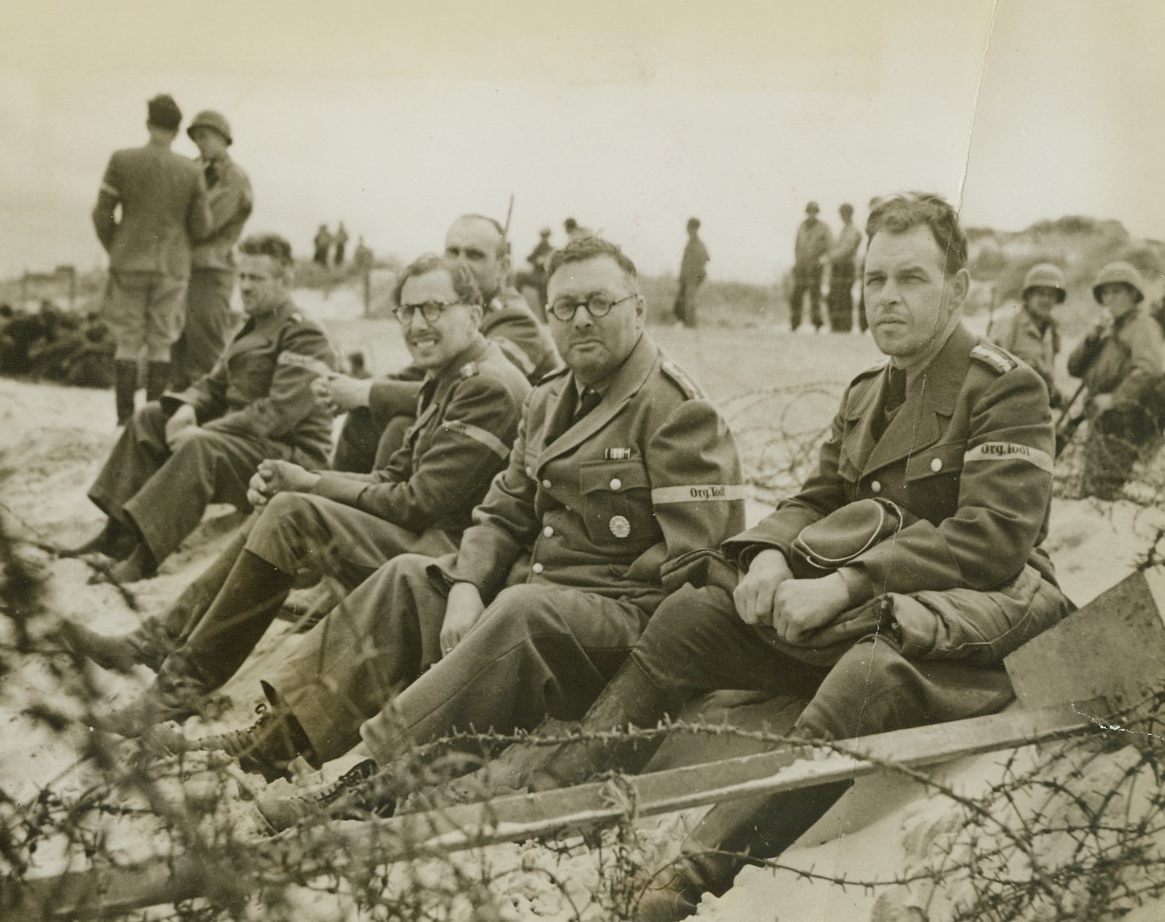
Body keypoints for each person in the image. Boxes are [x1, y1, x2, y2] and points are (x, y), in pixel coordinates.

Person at [429, 193, 1072, 921]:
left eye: (911, 278)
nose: (887, 296)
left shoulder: (1005, 386)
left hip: (965, 618)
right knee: (690, 617)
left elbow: (992, 537)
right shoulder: (869, 392)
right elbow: (816, 496)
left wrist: (845, 585)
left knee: (868, 673)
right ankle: (561, 794)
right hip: (864, 603)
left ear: (957, 289)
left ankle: (691, 876)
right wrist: (766, 555)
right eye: (875, 279)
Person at [182, 236, 745, 801]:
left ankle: (373, 778)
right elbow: (502, 510)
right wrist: (469, 585)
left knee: (523, 609)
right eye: (565, 306)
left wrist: (543, 596)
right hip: (541, 601)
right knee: (410, 578)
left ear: (638, 309)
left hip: (621, 625)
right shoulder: (549, 399)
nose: (581, 319)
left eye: (600, 302)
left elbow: (697, 565)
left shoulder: (676, 408)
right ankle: (278, 741)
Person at [68, 253, 532, 736]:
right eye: (407, 311)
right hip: (427, 540)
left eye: (433, 308)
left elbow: (416, 502)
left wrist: (311, 484)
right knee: (287, 506)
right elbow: (392, 476)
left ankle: (177, 687)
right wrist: (301, 479)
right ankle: (157, 643)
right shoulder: (451, 375)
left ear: (474, 314)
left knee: (293, 514)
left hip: (451, 562)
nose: (417, 325)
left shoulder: (486, 386)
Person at [60, 234, 335, 583]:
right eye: (242, 276)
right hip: (247, 444)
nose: (245, 286)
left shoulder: (304, 334)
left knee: (200, 446)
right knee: (150, 418)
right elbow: (214, 384)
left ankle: (144, 558)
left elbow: (276, 415)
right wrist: (188, 407)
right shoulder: (252, 327)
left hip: (289, 456)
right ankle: (116, 536)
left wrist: (204, 430)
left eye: (256, 278)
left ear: (285, 280)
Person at [330, 214, 560, 473]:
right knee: (366, 415)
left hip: (512, 464)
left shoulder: (515, 320)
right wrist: (352, 390)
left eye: (474, 255)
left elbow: (463, 389)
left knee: (399, 423)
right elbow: (418, 374)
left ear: (503, 267)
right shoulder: (451, 311)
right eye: (453, 252)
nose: (461, 263)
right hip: (472, 439)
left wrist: (365, 392)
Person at [91, 94, 213, 424]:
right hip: (172, 266)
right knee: (161, 343)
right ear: (177, 130)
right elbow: (202, 226)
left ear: (148, 124)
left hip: (128, 263)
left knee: (127, 341)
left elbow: (101, 214)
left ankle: (123, 422)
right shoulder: (191, 170)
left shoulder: (122, 160)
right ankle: (151, 423)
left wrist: (117, 248)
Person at [170, 110, 254, 390]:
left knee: (205, 349)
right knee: (177, 349)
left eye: (205, 137)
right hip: (183, 269)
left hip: (211, 270)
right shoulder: (197, 171)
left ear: (222, 138)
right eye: (196, 138)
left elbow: (204, 223)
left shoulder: (233, 178)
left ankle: (207, 411)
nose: (199, 144)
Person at [1066, 261, 1165, 500]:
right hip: (1103, 417)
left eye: (1117, 291)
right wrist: (1092, 337)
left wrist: (1114, 398)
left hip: (1125, 418)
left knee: (1103, 487)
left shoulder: (1142, 326)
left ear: (1133, 294)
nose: (1110, 298)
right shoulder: (1109, 329)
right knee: (1093, 487)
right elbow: (1074, 368)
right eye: (1106, 293)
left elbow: (1150, 369)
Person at [988, 262, 1066, 406]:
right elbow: (991, 371)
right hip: (1008, 403)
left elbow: (1048, 375)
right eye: (1040, 294)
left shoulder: (1052, 331)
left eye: (1051, 295)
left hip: (1036, 406)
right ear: (1029, 296)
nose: (1046, 300)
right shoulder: (1009, 322)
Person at [790, 201, 832, 333]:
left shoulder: (823, 227)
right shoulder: (802, 226)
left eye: (814, 211)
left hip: (815, 267)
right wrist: (797, 262)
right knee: (797, 295)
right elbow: (797, 246)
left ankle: (817, 324)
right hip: (802, 266)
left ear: (817, 212)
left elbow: (829, 245)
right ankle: (794, 324)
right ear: (807, 212)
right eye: (809, 211)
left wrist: (822, 259)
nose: (812, 214)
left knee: (815, 296)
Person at [824, 203, 861, 332]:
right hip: (838, 267)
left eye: (843, 214)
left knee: (844, 296)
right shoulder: (844, 230)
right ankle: (836, 326)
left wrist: (830, 257)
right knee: (834, 295)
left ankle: (844, 327)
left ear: (848, 214)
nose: (842, 216)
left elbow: (847, 249)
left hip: (846, 267)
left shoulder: (853, 230)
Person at [673, 217, 709, 329]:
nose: (687, 229)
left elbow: (706, 258)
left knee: (689, 299)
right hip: (687, 277)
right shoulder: (691, 243)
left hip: (692, 277)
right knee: (684, 299)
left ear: (693, 228)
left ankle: (690, 325)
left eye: (689, 227)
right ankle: (687, 324)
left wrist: (696, 273)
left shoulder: (697, 244)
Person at [515, 226, 554, 319]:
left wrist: (545, 261)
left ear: (548, 237)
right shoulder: (538, 247)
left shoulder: (551, 249)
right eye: (543, 236)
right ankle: (515, 300)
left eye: (546, 236)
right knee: (519, 276)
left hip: (544, 276)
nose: (544, 238)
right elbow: (529, 258)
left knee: (544, 293)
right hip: (535, 275)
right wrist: (536, 260)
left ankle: (545, 318)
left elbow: (554, 262)